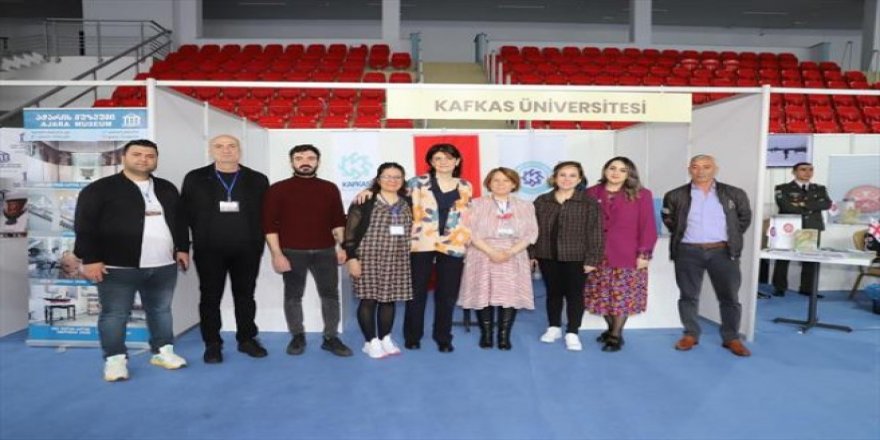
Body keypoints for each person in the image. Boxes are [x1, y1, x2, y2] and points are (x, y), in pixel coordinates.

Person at [73, 139, 190, 382]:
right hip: (117, 267)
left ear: (156, 160)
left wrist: (183, 248)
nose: (144, 159)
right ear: (123, 157)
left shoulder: (166, 188)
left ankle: (163, 351)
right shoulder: (100, 189)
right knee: (115, 315)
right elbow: (85, 226)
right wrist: (91, 259)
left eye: (150, 155)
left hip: (163, 265)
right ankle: (115, 360)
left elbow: (179, 221)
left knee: (161, 310)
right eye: (137, 154)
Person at [180, 134, 270, 364]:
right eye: (219, 146)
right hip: (208, 250)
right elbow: (183, 215)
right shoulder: (195, 178)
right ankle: (212, 343)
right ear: (211, 150)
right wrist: (182, 247)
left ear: (239, 150)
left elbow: (267, 215)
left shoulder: (257, 179)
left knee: (245, 296)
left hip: (248, 249)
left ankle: (247, 339)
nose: (226, 150)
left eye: (231, 146)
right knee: (210, 297)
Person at [262, 144, 352, 357]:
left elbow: (338, 221)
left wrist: (342, 247)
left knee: (330, 295)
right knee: (293, 296)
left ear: (318, 162)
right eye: (299, 158)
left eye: (311, 158)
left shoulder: (329, 188)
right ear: (291, 162)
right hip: (292, 252)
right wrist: (277, 254)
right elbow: (269, 225)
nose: (305, 162)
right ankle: (297, 336)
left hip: (326, 251)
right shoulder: (277, 189)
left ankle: (330, 337)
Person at [661, 154, 752, 357]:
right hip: (688, 251)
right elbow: (669, 219)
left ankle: (731, 337)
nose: (700, 171)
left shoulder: (734, 193)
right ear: (689, 169)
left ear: (715, 169)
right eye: (695, 166)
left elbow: (743, 219)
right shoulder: (675, 195)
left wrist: (729, 238)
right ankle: (690, 334)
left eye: (706, 166)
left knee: (729, 297)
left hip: (723, 251)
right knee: (688, 296)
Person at [458, 167, 538, 350]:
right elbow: (468, 231)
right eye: (496, 180)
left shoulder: (526, 206)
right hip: (482, 253)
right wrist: (491, 251)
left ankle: (504, 336)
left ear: (514, 184)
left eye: (506, 180)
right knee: (483, 293)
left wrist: (509, 252)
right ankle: (486, 334)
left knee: (509, 295)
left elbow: (531, 233)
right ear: (489, 183)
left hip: (514, 254)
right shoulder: (475, 204)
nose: (501, 184)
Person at [403, 143, 472, 352]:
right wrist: (369, 190)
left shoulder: (465, 186)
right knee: (417, 291)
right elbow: (394, 198)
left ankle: (443, 337)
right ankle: (413, 335)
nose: (443, 162)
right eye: (438, 158)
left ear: (457, 161)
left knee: (447, 293)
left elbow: (467, 216)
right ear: (431, 162)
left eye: (449, 158)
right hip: (421, 242)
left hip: (453, 243)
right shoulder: (416, 183)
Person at [585, 157, 658, 352]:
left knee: (621, 297)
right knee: (601, 296)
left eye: (622, 170)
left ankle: (615, 336)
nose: (616, 173)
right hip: (596, 254)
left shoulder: (642, 194)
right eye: (612, 168)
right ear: (605, 170)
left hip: (627, 254)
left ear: (629, 174)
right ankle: (610, 329)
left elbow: (648, 226)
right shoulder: (591, 193)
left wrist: (645, 253)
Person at [530, 161, 603, 351]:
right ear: (554, 178)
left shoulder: (588, 202)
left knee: (574, 295)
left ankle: (572, 331)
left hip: (577, 256)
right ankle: (554, 327)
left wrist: (592, 258)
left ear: (579, 179)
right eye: (562, 175)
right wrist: (532, 254)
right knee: (553, 293)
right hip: (547, 255)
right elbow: (532, 229)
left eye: (572, 175)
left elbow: (595, 232)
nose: (567, 179)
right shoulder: (542, 201)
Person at [343, 163, 413, 359]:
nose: (392, 180)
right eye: (387, 176)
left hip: (398, 258)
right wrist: (352, 258)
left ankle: (385, 338)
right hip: (368, 257)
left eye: (397, 177)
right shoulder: (365, 200)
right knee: (369, 299)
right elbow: (350, 232)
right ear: (378, 179)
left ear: (403, 180)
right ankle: (370, 341)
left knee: (389, 299)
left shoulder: (408, 201)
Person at [771, 162, 831, 297]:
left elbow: (826, 204)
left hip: (811, 226)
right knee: (783, 258)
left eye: (810, 170)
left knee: (810, 258)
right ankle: (779, 287)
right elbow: (786, 207)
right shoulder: (783, 188)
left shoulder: (819, 188)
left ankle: (807, 288)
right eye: (803, 170)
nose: (807, 173)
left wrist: (802, 204)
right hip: (789, 227)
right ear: (794, 172)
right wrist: (813, 205)